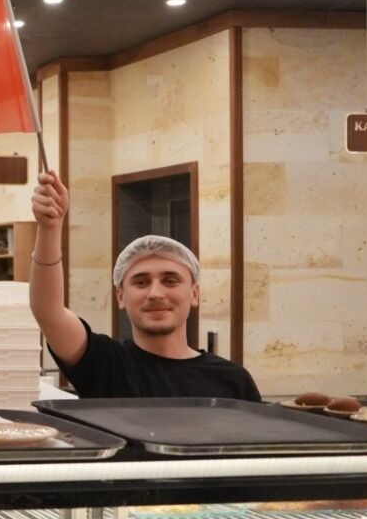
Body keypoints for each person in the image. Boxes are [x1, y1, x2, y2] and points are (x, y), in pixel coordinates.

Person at [29, 170, 260, 400]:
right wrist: (50, 229)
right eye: (141, 282)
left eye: (170, 280)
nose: (156, 293)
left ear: (194, 294)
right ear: (121, 296)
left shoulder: (233, 381)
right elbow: (48, 311)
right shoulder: (106, 365)